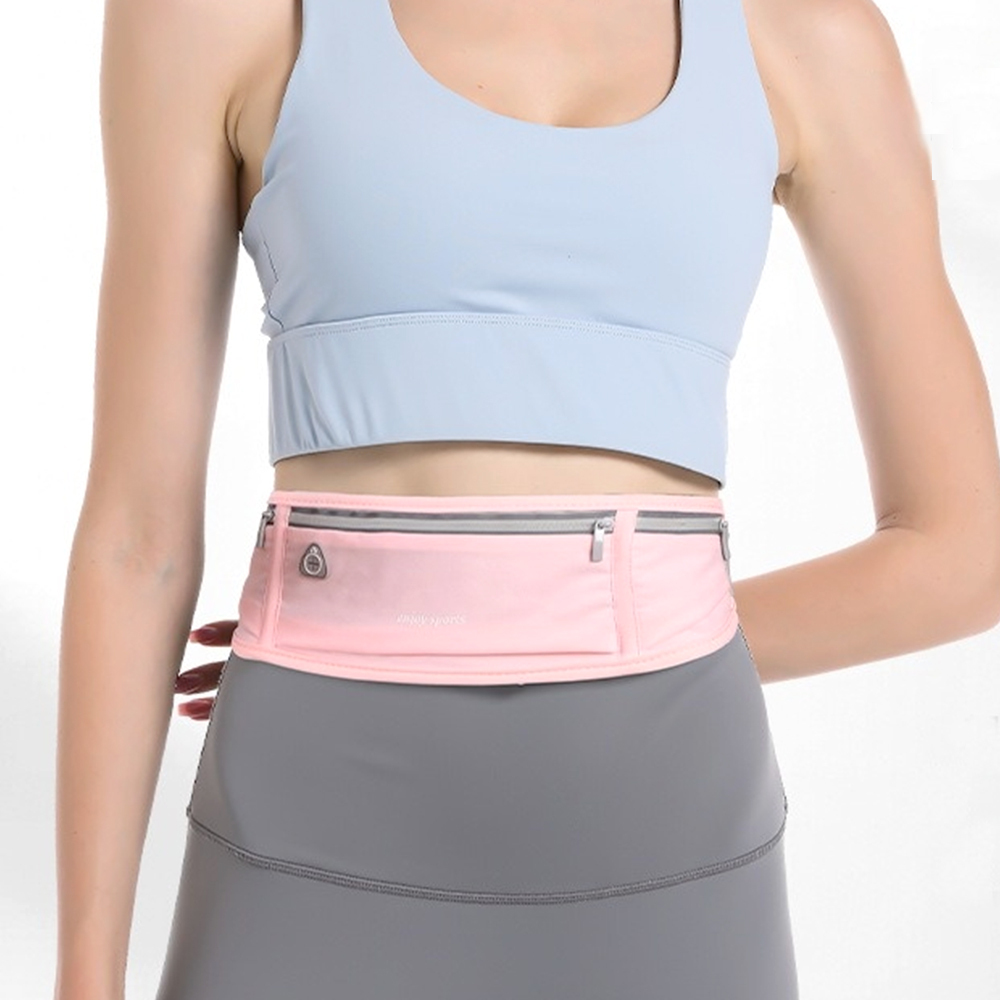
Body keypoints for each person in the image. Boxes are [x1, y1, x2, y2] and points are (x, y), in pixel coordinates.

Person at [55, 0, 1000, 997]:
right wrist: (84, 976)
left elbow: (963, 551)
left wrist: (588, 626)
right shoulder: (216, 18)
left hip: (665, 823)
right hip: (307, 814)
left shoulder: (807, 37)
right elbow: (137, 538)